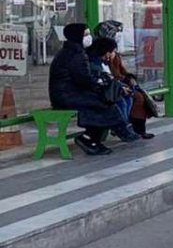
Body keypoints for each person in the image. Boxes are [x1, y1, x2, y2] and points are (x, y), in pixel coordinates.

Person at [48, 24, 132, 155]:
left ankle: (98, 137)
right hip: (66, 96)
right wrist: (99, 85)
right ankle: (90, 138)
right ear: (77, 36)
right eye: (85, 35)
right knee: (102, 103)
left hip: (68, 93)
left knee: (102, 101)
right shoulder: (75, 54)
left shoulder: (74, 51)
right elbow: (83, 79)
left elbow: (83, 78)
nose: (89, 38)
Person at [94, 21, 157, 139]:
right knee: (132, 97)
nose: (118, 36)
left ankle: (138, 129)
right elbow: (109, 74)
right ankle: (124, 127)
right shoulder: (101, 52)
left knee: (140, 96)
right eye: (115, 33)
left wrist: (129, 78)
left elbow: (122, 71)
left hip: (118, 84)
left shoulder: (114, 54)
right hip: (110, 87)